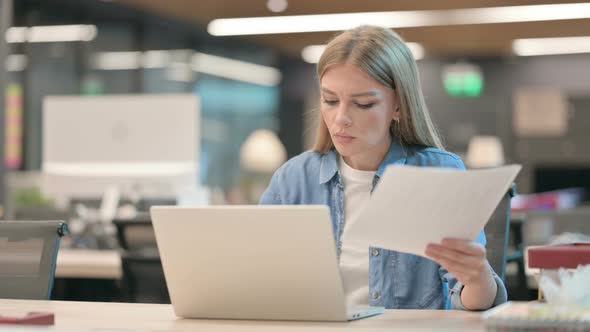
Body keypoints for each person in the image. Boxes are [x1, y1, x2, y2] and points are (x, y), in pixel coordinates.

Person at [259, 25, 507, 310]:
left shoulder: (439, 173)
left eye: (362, 104)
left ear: (398, 106)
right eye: (329, 100)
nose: (341, 118)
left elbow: (471, 302)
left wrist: (477, 280)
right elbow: (261, 282)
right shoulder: (293, 180)